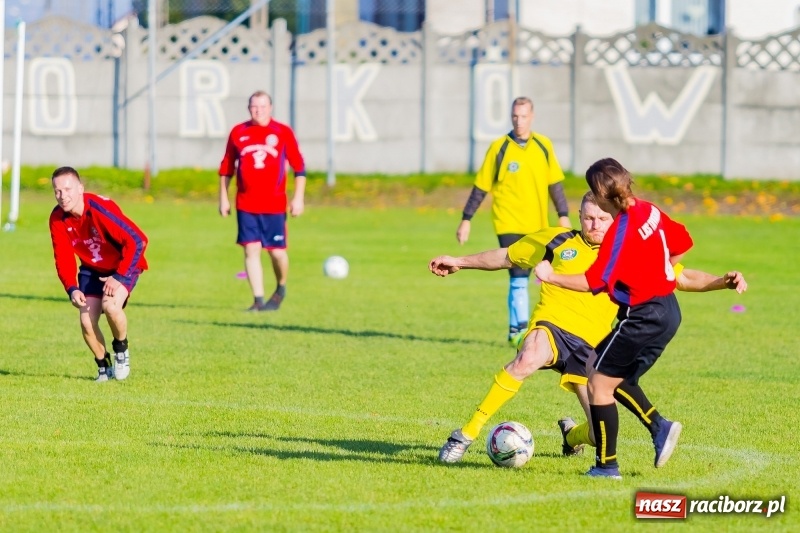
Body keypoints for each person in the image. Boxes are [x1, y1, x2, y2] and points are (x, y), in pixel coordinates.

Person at [430, 191, 746, 464]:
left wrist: (722, 282)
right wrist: (459, 261)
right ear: (579, 215)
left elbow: (683, 277)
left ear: (613, 219)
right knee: (526, 359)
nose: (593, 225)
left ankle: (572, 436)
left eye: (601, 219)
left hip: (592, 348)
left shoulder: (630, 251)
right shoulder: (555, 239)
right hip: (552, 325)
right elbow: (507, 256)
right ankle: (464, 435)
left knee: (599, 434)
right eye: (588, 217)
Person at [534, 158, 694, 479]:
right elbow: (682, 242)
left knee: (598, 384)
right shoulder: (648, 210)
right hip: (668, 308)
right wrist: (651, 272)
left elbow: (595, 282)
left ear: (603, 193)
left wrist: (551, 276)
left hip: (642, 315)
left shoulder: (621, 230)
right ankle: (658, 427)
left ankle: (607, 466)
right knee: (601, 368)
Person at [456, 96, 571, 346]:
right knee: (518, 275)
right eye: (515, 117)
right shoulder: (499, 147)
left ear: (532, 116)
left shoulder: (544, 145)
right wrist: (466, 219)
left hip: (537, 224)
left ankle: (542, 327)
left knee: (543, 274)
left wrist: (563, 214)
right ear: (511, 117)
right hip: (508, 221)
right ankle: (516, 331)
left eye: (524, 116)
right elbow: (481, 186)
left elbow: (555, 184)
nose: (519, 121)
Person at [49, 167, 148, 382]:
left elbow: (138, 240)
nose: (63, 196)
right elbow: (63, 257)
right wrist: (71, 288)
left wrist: (120, 276)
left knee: (111, 306)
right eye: (57, 191)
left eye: (68, 189)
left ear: (80, 189)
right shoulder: (57, 218)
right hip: (92, 269)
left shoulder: (99, 209)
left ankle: (121, 348)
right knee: (86, 321)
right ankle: (104, 366)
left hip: (124, 264)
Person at [219, 90, 306, 311]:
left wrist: (298, 198)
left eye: (263, 106)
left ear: (271, 107)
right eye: (254, 107)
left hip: (274, 204)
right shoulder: (239, 132)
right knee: (250, 250)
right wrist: (223, 198)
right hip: (246, 203)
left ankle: (281, 287)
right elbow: (227, 167)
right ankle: (258, 300)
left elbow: (299, 167)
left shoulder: (282, 132)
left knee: (277, 252)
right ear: (249, 108)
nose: (258, 111)